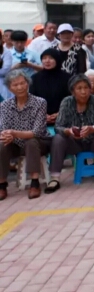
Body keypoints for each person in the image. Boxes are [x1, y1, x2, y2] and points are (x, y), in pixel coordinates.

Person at [46, 74, 94, 192]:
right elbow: (58, 126)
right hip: (74, 143)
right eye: (79, 88)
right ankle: (55, 178)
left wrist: (92, 128)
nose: (83, 91)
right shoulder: (66, 102)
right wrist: (68, 131)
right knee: (58, 138)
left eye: (86, 88)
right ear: (73, 91)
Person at [0, 70, 50, 200]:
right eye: (15, 85)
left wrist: (14, 133)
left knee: (31, 141)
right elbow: (4, 129)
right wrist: (7, 135)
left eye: (22, 83)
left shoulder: (40, 102)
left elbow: (37, 132)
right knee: (2, 144)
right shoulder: (4, 106)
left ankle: (35, 183)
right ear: (10, 88)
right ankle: (2, 184)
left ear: (28, 83)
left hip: (40, 142)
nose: (20, 87)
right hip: (16, 143)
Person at [29, 48, 71, 131]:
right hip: (39, 119)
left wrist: (60, 114)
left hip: (64, 119)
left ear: (57, 60)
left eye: (51, 58)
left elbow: (70, 99)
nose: (47, 61)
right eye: (44, 58)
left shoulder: (67, 78)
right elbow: (32, 99)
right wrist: (43, 115)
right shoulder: (35, 78)